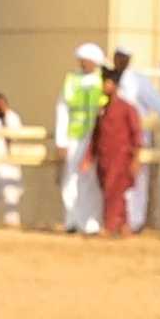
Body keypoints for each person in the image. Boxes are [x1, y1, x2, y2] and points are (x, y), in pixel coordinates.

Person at [86, 51, 147, 238]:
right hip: (105, 157)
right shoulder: (102, 110)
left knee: (114, 191)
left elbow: (137, 134)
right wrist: (89, 157)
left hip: (121, 157)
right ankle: (124, 225)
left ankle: (110, 225)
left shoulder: (128, 108)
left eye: (108, 83)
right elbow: (95, 136)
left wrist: (136, 159)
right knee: (112, 191)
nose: (105, 86)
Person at [53, 41, 109, 232]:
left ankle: (91, 222)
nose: (83, 64)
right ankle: (72, 221)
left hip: (95, 138)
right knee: (71, 178)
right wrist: (61, 140)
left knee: (91, 179)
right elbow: (62, 109)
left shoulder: (103, 81)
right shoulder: (71, 80)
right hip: (74, 137)